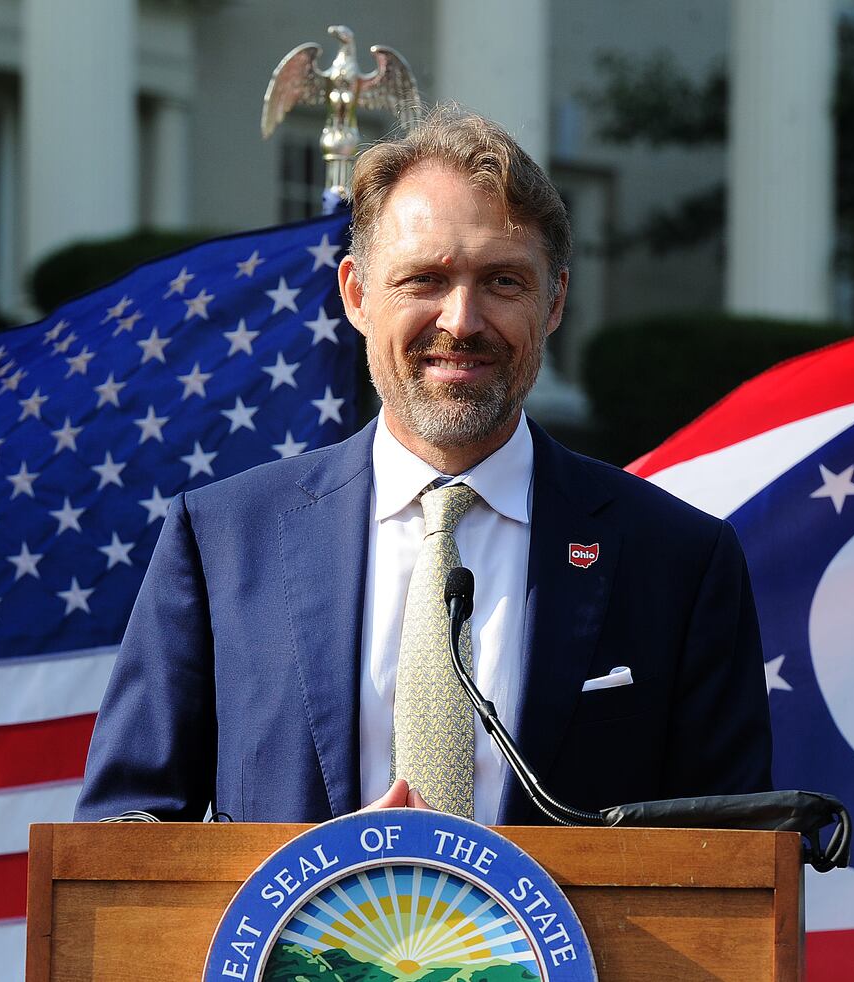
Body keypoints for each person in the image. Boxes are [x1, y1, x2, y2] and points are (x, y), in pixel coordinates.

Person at [75, 107, 771, 826]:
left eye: (503, 282)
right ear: (356, 295)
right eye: (423, 280)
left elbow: (734, 869)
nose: (461, 322)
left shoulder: (678, 561)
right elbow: (125, 839)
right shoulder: (222, 540)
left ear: (555, 300)